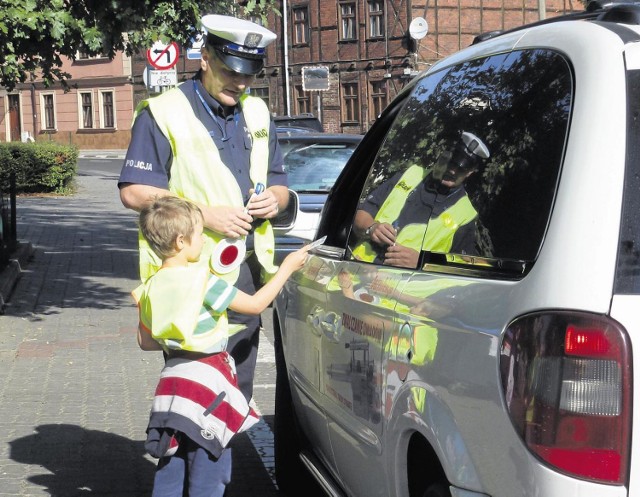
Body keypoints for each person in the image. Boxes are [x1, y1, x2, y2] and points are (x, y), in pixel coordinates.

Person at [118, 14, 287, 404]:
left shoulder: (257, 112)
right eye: (231, 71)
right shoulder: (163, 112)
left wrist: (275, 199)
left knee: (235, 393)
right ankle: (189, 461)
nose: (241, 82)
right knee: (193, 394)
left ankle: (219, 459)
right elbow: (134, 191)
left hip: (242, 272)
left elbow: (278, 179)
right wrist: (204, 215)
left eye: (250, 73)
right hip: (187, 274)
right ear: (205, 58)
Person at [133, 196, 309, 497]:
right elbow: (254, 305)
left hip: (172, 385)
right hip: (207, 386)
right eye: (200, 235)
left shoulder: (148, 287)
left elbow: (146, 342)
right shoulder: (204, 281)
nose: (203, 241)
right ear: (180, 241)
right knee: (209, 467)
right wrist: (287, 267)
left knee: (171, 465)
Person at [352, 131, 490, 268]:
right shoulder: (409, 175)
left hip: (404, 287)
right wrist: (372, 228)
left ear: (470, 172)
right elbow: (361, 214)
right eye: (451, 163)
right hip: (356, 273)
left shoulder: (465, 213)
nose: (453, 171)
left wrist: (424, 262)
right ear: (443, 156)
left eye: (460, 169)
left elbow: (465, 265)